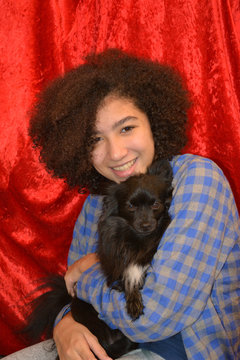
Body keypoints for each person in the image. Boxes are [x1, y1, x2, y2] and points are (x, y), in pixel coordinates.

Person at [6, 49, 240, 360]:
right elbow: (72, 285)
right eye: (95, 140)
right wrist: (64, 323)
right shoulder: (98, 201)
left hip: (179, 349)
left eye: (126, 128)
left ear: (153, 122)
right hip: (106, 340)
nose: (115, 153)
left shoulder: (198, 179)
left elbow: (152, 318)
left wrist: (88, 275)